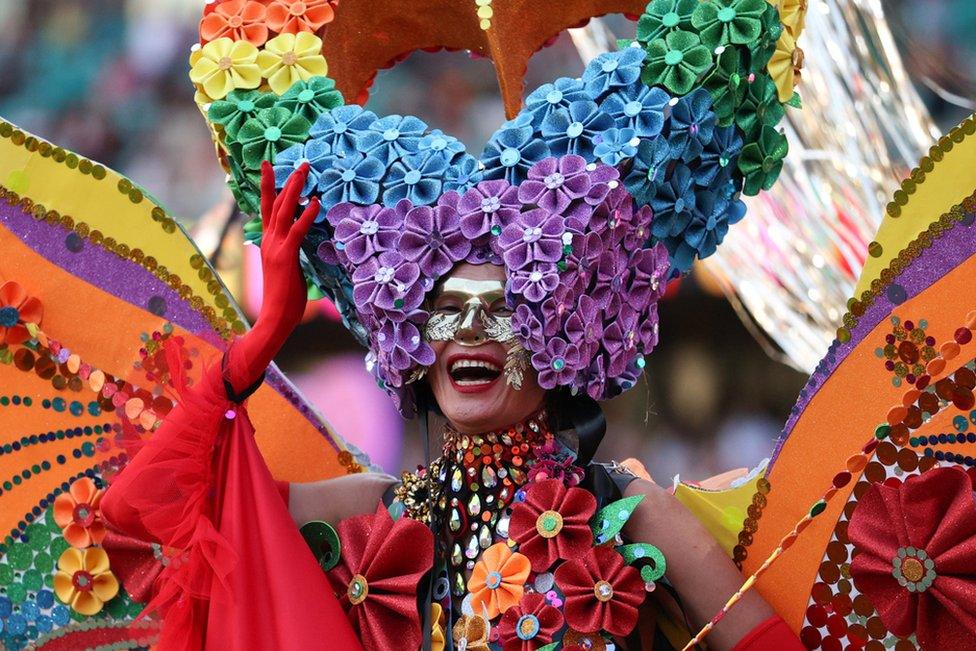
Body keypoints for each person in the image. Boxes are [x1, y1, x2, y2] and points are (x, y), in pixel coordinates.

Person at [102, 162, 801, 650]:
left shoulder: (634, 511)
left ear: (557, 340)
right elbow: (151, 516)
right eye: (445, 312)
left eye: (500, 311)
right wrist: (257, 346)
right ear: (414, 346)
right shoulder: (374, 512)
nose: (468, 330)